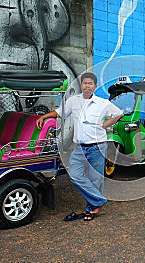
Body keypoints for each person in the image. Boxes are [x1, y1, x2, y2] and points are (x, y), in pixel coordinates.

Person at [36, 72, 123, 221]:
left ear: (95, 86)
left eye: (90, 83)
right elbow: (59, 112)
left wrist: (106, 124)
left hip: (97, 147)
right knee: (75, 175)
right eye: (85, 83)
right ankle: (99, 201)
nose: (87, 86)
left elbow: (119, 113)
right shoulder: (73, 101)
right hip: (80, 148)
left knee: (96, 179)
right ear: (81, 85)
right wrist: (44, 117)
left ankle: (91, 209)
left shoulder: (103, 103)